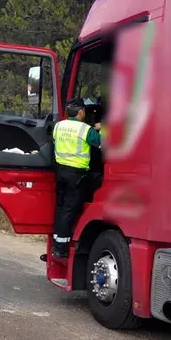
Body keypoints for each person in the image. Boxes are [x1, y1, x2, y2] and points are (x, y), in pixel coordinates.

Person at [51, 98, 103, 259]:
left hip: (60, 172)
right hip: (77, 176)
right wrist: (102, 129)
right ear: (81, 112)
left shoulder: (58, 126)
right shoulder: (85, 130)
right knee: (69, 210)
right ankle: (61, 248)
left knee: (61, 208)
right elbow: (101, 143)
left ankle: (57, 244)